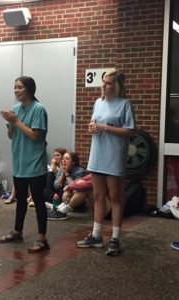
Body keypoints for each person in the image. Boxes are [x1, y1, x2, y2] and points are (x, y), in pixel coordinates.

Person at [76, 68, 136, 256]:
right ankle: (96, 235)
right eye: (103, 81)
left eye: (108, 82)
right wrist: (92, 127)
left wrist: (104, 127)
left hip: (114, 155)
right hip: (97, 154)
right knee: (98, 196)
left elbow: (130, 131)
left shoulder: (125, 104)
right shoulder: (98, 102)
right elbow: (95, 123)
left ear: (117, 85)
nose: (104, 85)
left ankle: (115, 238)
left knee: (116, 197)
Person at [0, 76, 49, 253]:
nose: (15, 90)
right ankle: (17, 231)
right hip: (19, 162)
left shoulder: (38, 109)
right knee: (20, 200)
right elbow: (11, 136)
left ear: (29, 89)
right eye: (14, 87)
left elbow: (36, 136)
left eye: (19, 87)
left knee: (38, 201)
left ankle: (42, 239)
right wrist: (11, 123)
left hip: (35, 164)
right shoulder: (15, 109)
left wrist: (16, 122)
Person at [47, 151, 86, 220]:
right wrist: (62, 174)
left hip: (74, 198)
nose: (64, 161)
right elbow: (56, 186)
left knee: (73, 189)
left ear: (73, 162)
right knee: (44, 191)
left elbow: (76, 187)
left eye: (67, 159)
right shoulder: (62, 169)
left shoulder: (80, 171)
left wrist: (67, 174)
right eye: (63, 158)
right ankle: (59, 207)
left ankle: (60, 209)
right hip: (62, 195)